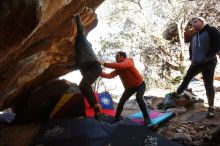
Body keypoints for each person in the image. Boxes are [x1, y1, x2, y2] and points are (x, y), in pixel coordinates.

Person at [174, 16, 220, 118]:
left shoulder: (211, 30)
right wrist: (191, 57)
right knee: (186, 78)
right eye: (192, 23)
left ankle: (211, 108)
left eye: (195, 22)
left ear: (202, 21)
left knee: (208, 85)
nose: (193, 24)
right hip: (195, 63)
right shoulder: (194, 35)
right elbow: (191, 47)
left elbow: (217, 44)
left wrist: (207, 56)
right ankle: (177, 93)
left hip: (208, 63)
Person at [100, 51, 151, 125]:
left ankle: (147, 118)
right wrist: (99, 73)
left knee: (139, 98)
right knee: (121, 101)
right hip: (130, 87)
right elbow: (110, 75)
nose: (116, 57)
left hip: (140, 84)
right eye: (115, 56)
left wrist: (104, 64)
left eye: (117, 55)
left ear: (123, 57)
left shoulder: (128, 61)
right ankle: (116, 117)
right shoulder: (119, 67)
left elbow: (120, 66)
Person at [74, 15, 102, 120]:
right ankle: (96, 110)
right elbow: (76, 65)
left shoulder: (83, 41)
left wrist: (77, 15)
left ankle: (96, 105)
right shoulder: (77, 51)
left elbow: (80, 29)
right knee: (85, 87)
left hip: (94, 66)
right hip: (89, 69)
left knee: (83, 85)